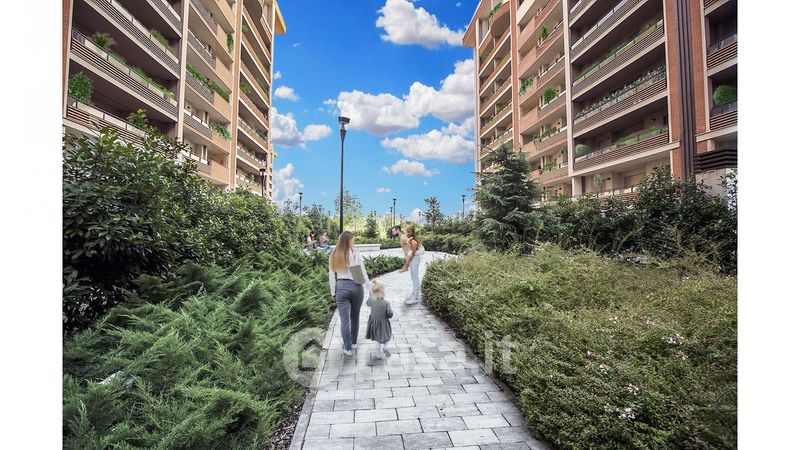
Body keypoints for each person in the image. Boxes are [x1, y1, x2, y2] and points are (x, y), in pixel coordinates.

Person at [328, 231, 370, 356]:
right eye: (353, 240)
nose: (354, 242)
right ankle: (354, 342)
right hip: (356, 287)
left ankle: (348, 348)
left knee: (344, 320)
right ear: (347, 241)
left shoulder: (334, 254)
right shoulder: (355, 252)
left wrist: (333, 292)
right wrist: (369, 288)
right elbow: (362, 271)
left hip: (341, 287)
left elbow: (331, 275)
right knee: (355, 316)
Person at [365, 281, 393, 360]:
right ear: (383, 292)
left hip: (374, 323)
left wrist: (370, 296)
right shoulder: (386, 303)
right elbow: (390, 313)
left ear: (373, 293)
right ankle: (385, 347)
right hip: (384, 323)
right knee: (386, 335)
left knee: (377, 339)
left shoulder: (371, 300)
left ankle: (378, 354)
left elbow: (367, 303)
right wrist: (390, 315)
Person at [400, 225, 425, 305]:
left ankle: (415, 298)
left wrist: (407, 264)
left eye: (406, 231)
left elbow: (413, 254)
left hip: (415, 259)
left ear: (409, 232)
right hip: (413, 259)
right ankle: (414, 293)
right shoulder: (411, 239)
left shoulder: (413, 241)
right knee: (413, 277)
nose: (405, 233)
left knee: (415, 278)